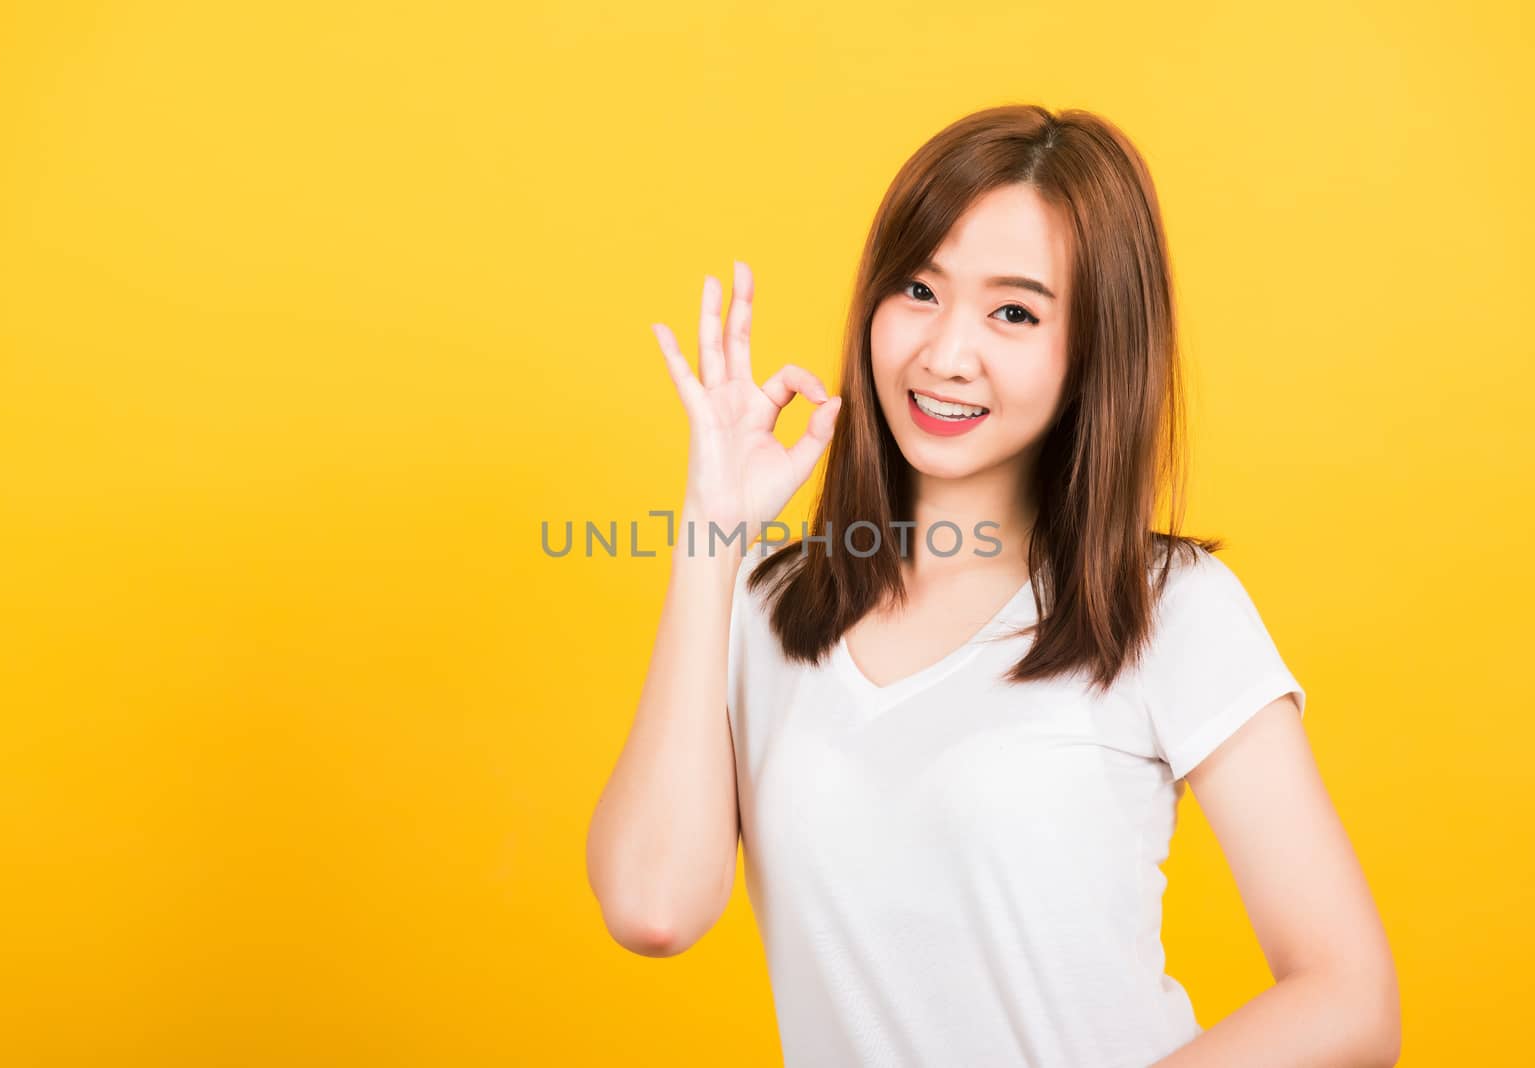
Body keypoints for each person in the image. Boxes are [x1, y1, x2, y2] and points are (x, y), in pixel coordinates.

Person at [586, 104, 1400, 1068]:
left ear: (1094, 350)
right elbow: (651, 909)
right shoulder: (768, 605)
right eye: (919, 290)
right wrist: (710, 536)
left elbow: (1349, 1001)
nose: (944, 354)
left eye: (1014, 312)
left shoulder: (1165, 605)